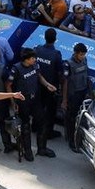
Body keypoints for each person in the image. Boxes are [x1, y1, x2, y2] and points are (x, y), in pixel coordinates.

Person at [6, 48, 57, 161]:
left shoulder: (35, 65)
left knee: (42, 122)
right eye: (33, 58)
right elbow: (8, 85)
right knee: (25, 126)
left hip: (35, 99)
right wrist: (13, 101)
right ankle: (27, 151)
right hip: (23, 101)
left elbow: (39, 76)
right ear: (26, 59)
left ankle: (42, 149)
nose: (35, 59)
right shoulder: (16, 69)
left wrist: (47, 85)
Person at [34, 28, 64, 157]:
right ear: (55, 39)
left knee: (38, 107)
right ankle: (48, 132)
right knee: (49, 112)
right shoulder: (56, 54)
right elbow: (60, 72)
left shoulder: (37, 49)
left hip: (37, 85)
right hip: (50, 88)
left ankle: (34, 126)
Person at [62, 43, 92, 151]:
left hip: (82, 92)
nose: (83, 56)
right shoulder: (68, 64)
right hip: (73, 94)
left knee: (80, 117)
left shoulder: (85, 60)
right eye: (81, 54)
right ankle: (71, 141)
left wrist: (89, 91)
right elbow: (65, 82)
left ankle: (78, 138)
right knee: (71, 118)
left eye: (84, 54)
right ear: (75, 53)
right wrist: (64, 100)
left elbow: (87, 75)